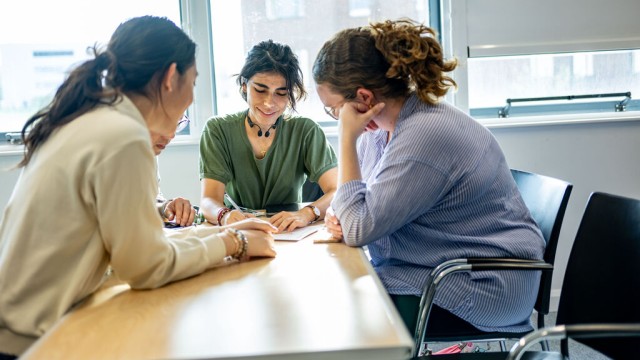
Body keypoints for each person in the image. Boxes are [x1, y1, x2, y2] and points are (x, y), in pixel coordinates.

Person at [0, 16, 276, 358]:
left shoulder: (94, 119)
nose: (193, 95)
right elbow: (146, 267)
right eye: (194, 80)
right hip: (32, 343)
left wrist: (221, 235)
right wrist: (234, 242)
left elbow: (140, 246)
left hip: (23, 326)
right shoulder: (123, 137)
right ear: (171, 77)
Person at [312, 19, 545, 336]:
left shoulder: (424, 136)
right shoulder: (381, 131)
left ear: (363, 98)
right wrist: (344, 215)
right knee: (345, 294)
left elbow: (359, 228)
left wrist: (345, 140)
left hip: (485, 284)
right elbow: (356, 207)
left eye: (335, 109)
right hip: (438, 266)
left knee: (349, 307)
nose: (337, 119)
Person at [199, 40, 338, 232]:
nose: (268, 103)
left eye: (281, 93)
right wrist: (225, 216)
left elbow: (337, 190)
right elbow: (209, 200)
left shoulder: (306, 131)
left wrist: (307, 213)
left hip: (290, 232)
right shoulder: (218, 130)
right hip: (237, 231)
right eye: (260, 90)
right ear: (244, 85)